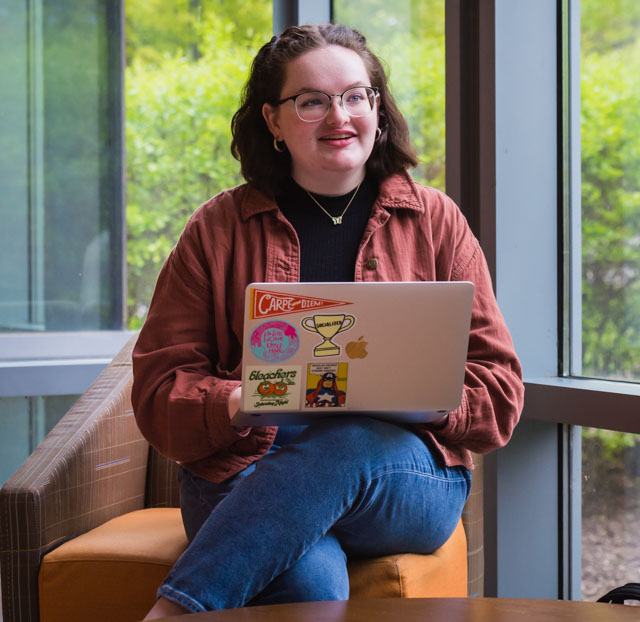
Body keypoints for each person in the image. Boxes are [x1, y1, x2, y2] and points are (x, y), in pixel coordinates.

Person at [132, 23, 524, 618]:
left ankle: (176, 611)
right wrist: (240, 401)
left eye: (355, 96)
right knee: (307, 582)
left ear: (378, 110)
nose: (339, 116)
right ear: (273, 121)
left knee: (349, 443)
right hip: (246, 467)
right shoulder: (216, 229)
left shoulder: (436, 220)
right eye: (311, 101)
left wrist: (434, 397)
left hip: (402, 479)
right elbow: (159, 394)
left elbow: (500, 393)